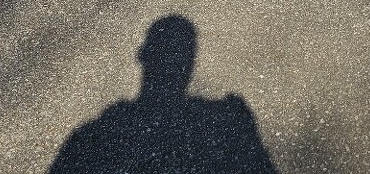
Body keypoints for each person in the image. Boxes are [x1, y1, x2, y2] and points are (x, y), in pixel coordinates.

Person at [48, 15, 278, 173]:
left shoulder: (94, 138)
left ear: (142, 55)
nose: (172, 67)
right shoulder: (221, 125)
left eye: (178, 58)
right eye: (174, 58)